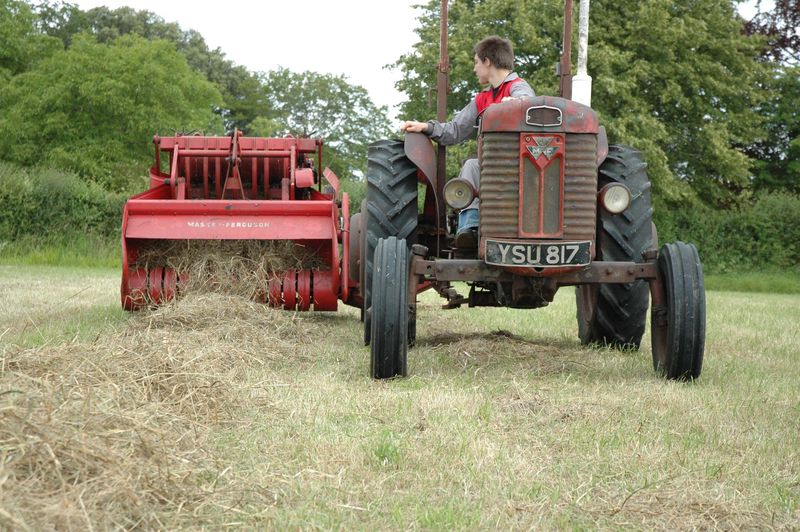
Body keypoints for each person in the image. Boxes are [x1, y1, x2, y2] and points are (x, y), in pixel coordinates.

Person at [401, 35, 535, 248]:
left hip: (522, 169)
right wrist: (426, 127)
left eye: (476, 62)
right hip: (493, 168)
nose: (474, 69)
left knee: (473, 166)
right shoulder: (482, 99)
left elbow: (527, 102)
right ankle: (469, 231)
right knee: (472, 166)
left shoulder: (517, 88)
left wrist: (517, 104)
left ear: (487, 62)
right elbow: (455, 130)